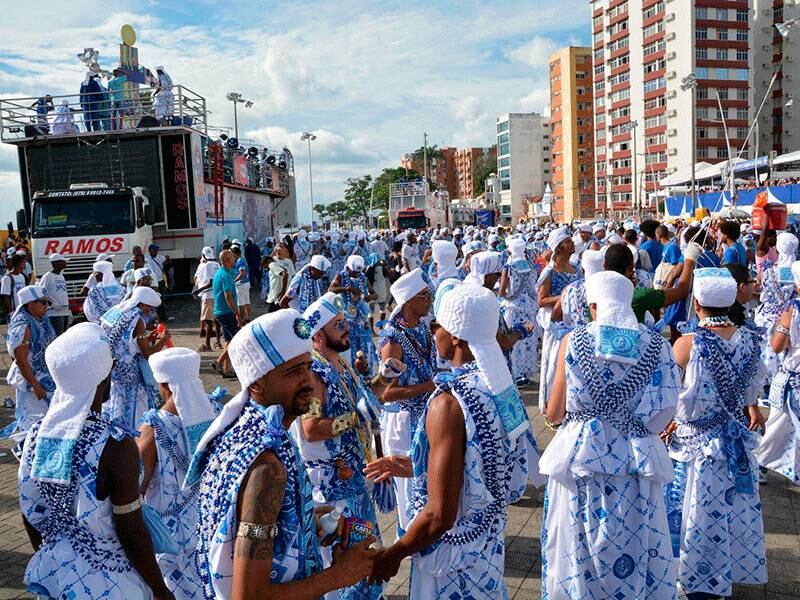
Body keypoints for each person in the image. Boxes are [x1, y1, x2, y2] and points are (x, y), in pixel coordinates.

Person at [189, 310, 375, 599]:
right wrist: (339, 576)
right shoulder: (268, 466)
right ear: (256, 383)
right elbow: (248, 596)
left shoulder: (251, 432)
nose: (308, 381)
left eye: (308, 367)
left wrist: (305, 519)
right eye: (292, 372)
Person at [367, 282, 532, 598]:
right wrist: (407, 466)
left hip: (450, 559)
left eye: (437, 324)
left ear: (456, 335)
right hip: (487, 547)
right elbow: (477, 470)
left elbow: (440, 515)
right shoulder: (502, 388)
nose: (433, 331)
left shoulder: (449, 402)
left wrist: (394, 553)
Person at [540, 270, 680, 599]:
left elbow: (554, 412)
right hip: (637, 462)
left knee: (578, 546)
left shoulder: (572, 341)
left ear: (594, 306)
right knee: (637, 540)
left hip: (582, 461)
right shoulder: (658, 345)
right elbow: (664, 411)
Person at [18, 324, 174, 600]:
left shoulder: (34, 436)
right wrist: (160, 590)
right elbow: (131, 531)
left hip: (57, 574)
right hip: (110, 582)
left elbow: (30, 511)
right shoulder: (114, 445)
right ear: (103, 379)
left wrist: (55, 552)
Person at [665, 268, 767, 598]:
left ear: (697, 304)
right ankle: (722, 574)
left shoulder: (686, 345)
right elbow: (752, 395)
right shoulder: (751, 342)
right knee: (727, 511)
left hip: (695, 446)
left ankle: (693, 579)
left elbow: (665, 396)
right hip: (734, 443)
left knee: (693, 512)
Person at [295, 292, 386, 600]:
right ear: (318, 335)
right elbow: (310, 429)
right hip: (332, 487)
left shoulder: (341, 364)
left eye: (344, 322)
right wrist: (354, 418)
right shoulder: (314, 374)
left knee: (363, 546)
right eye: (338, 325)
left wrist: (383, 379)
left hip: (355, 477)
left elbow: (364, 403)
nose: (347, 329)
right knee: (344, 556)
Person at [138, 348, 217, 599]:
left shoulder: (154, 427)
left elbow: (137, 486)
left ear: (164, 384)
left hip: (171, 537)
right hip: (210, 523)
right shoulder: (215, 413)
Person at [377, 269, 437, 535]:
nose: (429, 300)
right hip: (402, 421)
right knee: (408, 483)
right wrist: (430, 386)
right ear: (409, 300)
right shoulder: (393, 340)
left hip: (422, 415)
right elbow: (385, 393)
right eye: (425, 296)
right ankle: (410, 535)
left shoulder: (421, 327)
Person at [756, 260, 800, 485]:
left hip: (794, 376)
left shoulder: (792, 311)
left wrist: (782, 327)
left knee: (777, 425)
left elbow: (777, 345)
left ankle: (762, 465)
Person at [100, 287, 169, 428]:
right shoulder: (137, 321)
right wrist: (163, 340)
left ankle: (118, 429)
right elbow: (146, 353)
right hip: (129, 373)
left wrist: (146, 337)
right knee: (135, 405)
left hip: (112, 367)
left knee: (117, 401)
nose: (151, 311)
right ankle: (134, 432)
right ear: (141, 304)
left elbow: (123, 341)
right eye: (149, 307)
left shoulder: (116, 311)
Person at [536, 227, 581, 411]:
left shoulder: (576, 269)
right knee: (554, 363)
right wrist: (565, 296)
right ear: (560, 247)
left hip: (574, 323)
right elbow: (542, 300)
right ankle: (551, 404)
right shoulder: (549, 272)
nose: (573, 244)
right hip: (556, 325)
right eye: (568, 241)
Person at [604, 241, 702, 325]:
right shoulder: (640, 296)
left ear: (604, 266)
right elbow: (682, 291)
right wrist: (689, 261)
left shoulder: (594, 294)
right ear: (631, 268)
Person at [5, 286, 56, 440]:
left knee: (47, 421)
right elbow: (21, 361)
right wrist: (35, 385)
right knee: (33, 425)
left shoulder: (40, 318)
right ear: (30, 304)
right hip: (31, 383)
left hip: (44, 378)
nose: (46, 306)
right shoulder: (23, 326)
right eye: (43, 303)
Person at [499, 236, 540, 385]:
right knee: (528, 341)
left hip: (513, 308)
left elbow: (502, 291)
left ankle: (515, 375)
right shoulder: (530, 265)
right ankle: (525, 374)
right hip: (529, 308)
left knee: (515, 342)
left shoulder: (508, 268)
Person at [330, 255, 377, 376]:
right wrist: (348, 288)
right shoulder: (341, 276)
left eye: (358, 272)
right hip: (347, 319)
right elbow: (331, 289)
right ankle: (351, 375)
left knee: (365, 346)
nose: (356, 274)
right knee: (349, 347)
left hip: (361, 320)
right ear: (349, 268)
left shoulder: (363, 278)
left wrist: (369, 297)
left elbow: (374, 294)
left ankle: (367, 374)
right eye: (354, 272)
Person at [211, 249, 241, 378]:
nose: (234, 259)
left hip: (221, 311)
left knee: (229, 340)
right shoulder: (226, 275)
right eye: (232, 257)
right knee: (235, 340)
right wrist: (237, 313)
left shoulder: (221, 272)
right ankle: (219, 361)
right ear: (228, 260)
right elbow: (228, 297)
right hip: (226, 312)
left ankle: (227, 369)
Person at [194, 246, 221, 351]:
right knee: (216, 319)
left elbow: (211, 282)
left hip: (208, 295)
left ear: (203, 255)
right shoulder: (217, 264)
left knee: (208, 320)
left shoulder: (207, 265)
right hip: (216, 294)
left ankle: (207, 344)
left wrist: (199, 290)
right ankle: (218, 342)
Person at [39, 253, 70, 335]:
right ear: (55, 263)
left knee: (64, 335)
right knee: (57, 335)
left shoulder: (61, 276)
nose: (65, 263)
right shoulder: (48, 276)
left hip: (64, 311)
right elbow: (41, 292)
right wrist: (51, 303)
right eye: (62, 261)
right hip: (54, 312)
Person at [726, 262, 758, 328]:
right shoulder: (735, 318)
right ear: (742, 287)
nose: (755, 285)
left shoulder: (718, 309)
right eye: (753, 281)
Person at [266, 242, 295, 313]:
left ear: (285, 250)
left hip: (286, 294)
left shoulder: (289, 262)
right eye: (278, 247)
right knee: (271, 317)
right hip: (275, 294)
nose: (279, 249)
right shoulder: (273, 261)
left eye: (281, 247)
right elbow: (265, 261)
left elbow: (292, 276)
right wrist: (274, 251)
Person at [146, 244, 169, 322]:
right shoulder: (147, 259)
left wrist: (167, 260)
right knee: (154, 300)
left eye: (156, 250)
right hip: (152, 283)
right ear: (150, 251)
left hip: (160, 281)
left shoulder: (160, 258)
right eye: (154, 250)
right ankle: (157, 318)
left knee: (161, 300)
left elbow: (167, 265)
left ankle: (164, 318)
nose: (156, 251)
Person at [231, 245, 252, 323]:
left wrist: (234, 281)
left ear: (235, 253)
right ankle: (248, 318)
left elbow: (242, 273)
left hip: (241, 284)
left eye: (232, 254)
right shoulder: (243, 259)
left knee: (241, 304)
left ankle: (242, 320)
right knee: (247, 301)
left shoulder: (240, 261)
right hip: (246, 283)